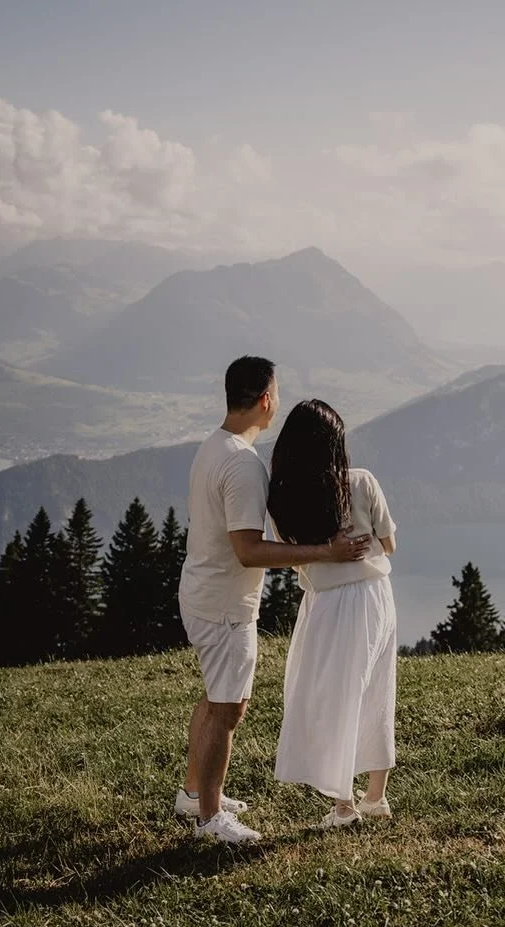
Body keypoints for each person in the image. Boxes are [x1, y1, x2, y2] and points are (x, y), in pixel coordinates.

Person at [176, 358, 372, 844]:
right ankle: (209, 818)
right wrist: (326, 552)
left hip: (202, 590)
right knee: (229, 708)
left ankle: (193, 793)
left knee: (215, 694)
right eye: (277, 394)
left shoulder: (213, 446)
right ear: (265, 399)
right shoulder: (242, 464)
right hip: (224, 603)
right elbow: (248, 550)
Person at [267, 399, 399, 829]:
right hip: (377, 595)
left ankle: (344, 807)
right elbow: (390, 544)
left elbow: (289, 556)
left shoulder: (284, 503)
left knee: (335, 697)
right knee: (376, 689)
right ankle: (375, 796)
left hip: (329, 603)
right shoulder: (362, 482)